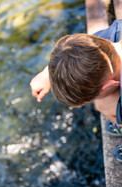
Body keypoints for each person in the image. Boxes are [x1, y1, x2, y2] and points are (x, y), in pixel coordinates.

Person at [30, 19, 122, 162]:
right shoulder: (112, 36)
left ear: (109, 85)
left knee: (104, 104)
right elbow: (79, 49)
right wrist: (46, 74)